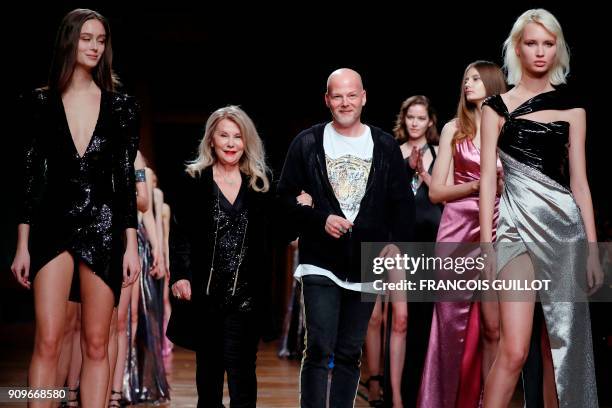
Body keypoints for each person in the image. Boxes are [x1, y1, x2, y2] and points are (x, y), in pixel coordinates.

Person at [10, 8, 140, 406]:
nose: (95, 47)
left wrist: (131, 244)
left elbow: (123, 184)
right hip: (51, 226)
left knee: (97, 343)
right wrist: (22, 244)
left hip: (103, 229)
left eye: (101, 40)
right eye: (87, 38)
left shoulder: (122, 108)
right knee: (48, 340)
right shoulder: (38, 103)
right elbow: (30, 177)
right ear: (69, 40)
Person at [480, 9, 602, 407]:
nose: (540, 52)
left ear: (558, 49)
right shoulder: (495, 108)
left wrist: (592, 250)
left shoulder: (573, 108)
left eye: (548, 44)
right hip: (513, 232)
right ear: (518, 47)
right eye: (532, 42)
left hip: (565, 230)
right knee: (514, 351)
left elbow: (579, 184)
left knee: (561, 350)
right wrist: (486, 245)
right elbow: (486, 183)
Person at [277, 68, 415, 407]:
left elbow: (403, 206)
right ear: (327, 100)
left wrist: (396, 245)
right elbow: (282, 199)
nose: (345, 102)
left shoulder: (384, 146)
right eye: (337, 95)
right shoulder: (307, 142)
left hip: (366, 262)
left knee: (350, 352)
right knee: (320, 347)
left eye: (352, 95)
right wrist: (319, 219)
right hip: (319, 261)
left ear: (364, 97)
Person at [167, 105, 279, 408]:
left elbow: (278, 229)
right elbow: (180, 234)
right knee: (210, 375)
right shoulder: (194, 180)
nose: (231, 143)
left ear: (246, 141)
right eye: (224, 136)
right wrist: (180, 274)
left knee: (243, 376)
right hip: (207, 296)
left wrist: (302, 205)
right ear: (211, 140)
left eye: (237, 136)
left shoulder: (260, 182)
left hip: (247, 297)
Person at [418, 61, 506, 408]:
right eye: (465, 79)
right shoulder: (455, 128)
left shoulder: (508, 126)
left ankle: (483, 401)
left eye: (475, 78)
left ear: (492, 82)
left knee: (492, 329)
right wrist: (478, 183)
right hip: (455, 233)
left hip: (498, 227)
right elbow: (435, 193)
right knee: (449, 327)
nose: (467, 84)